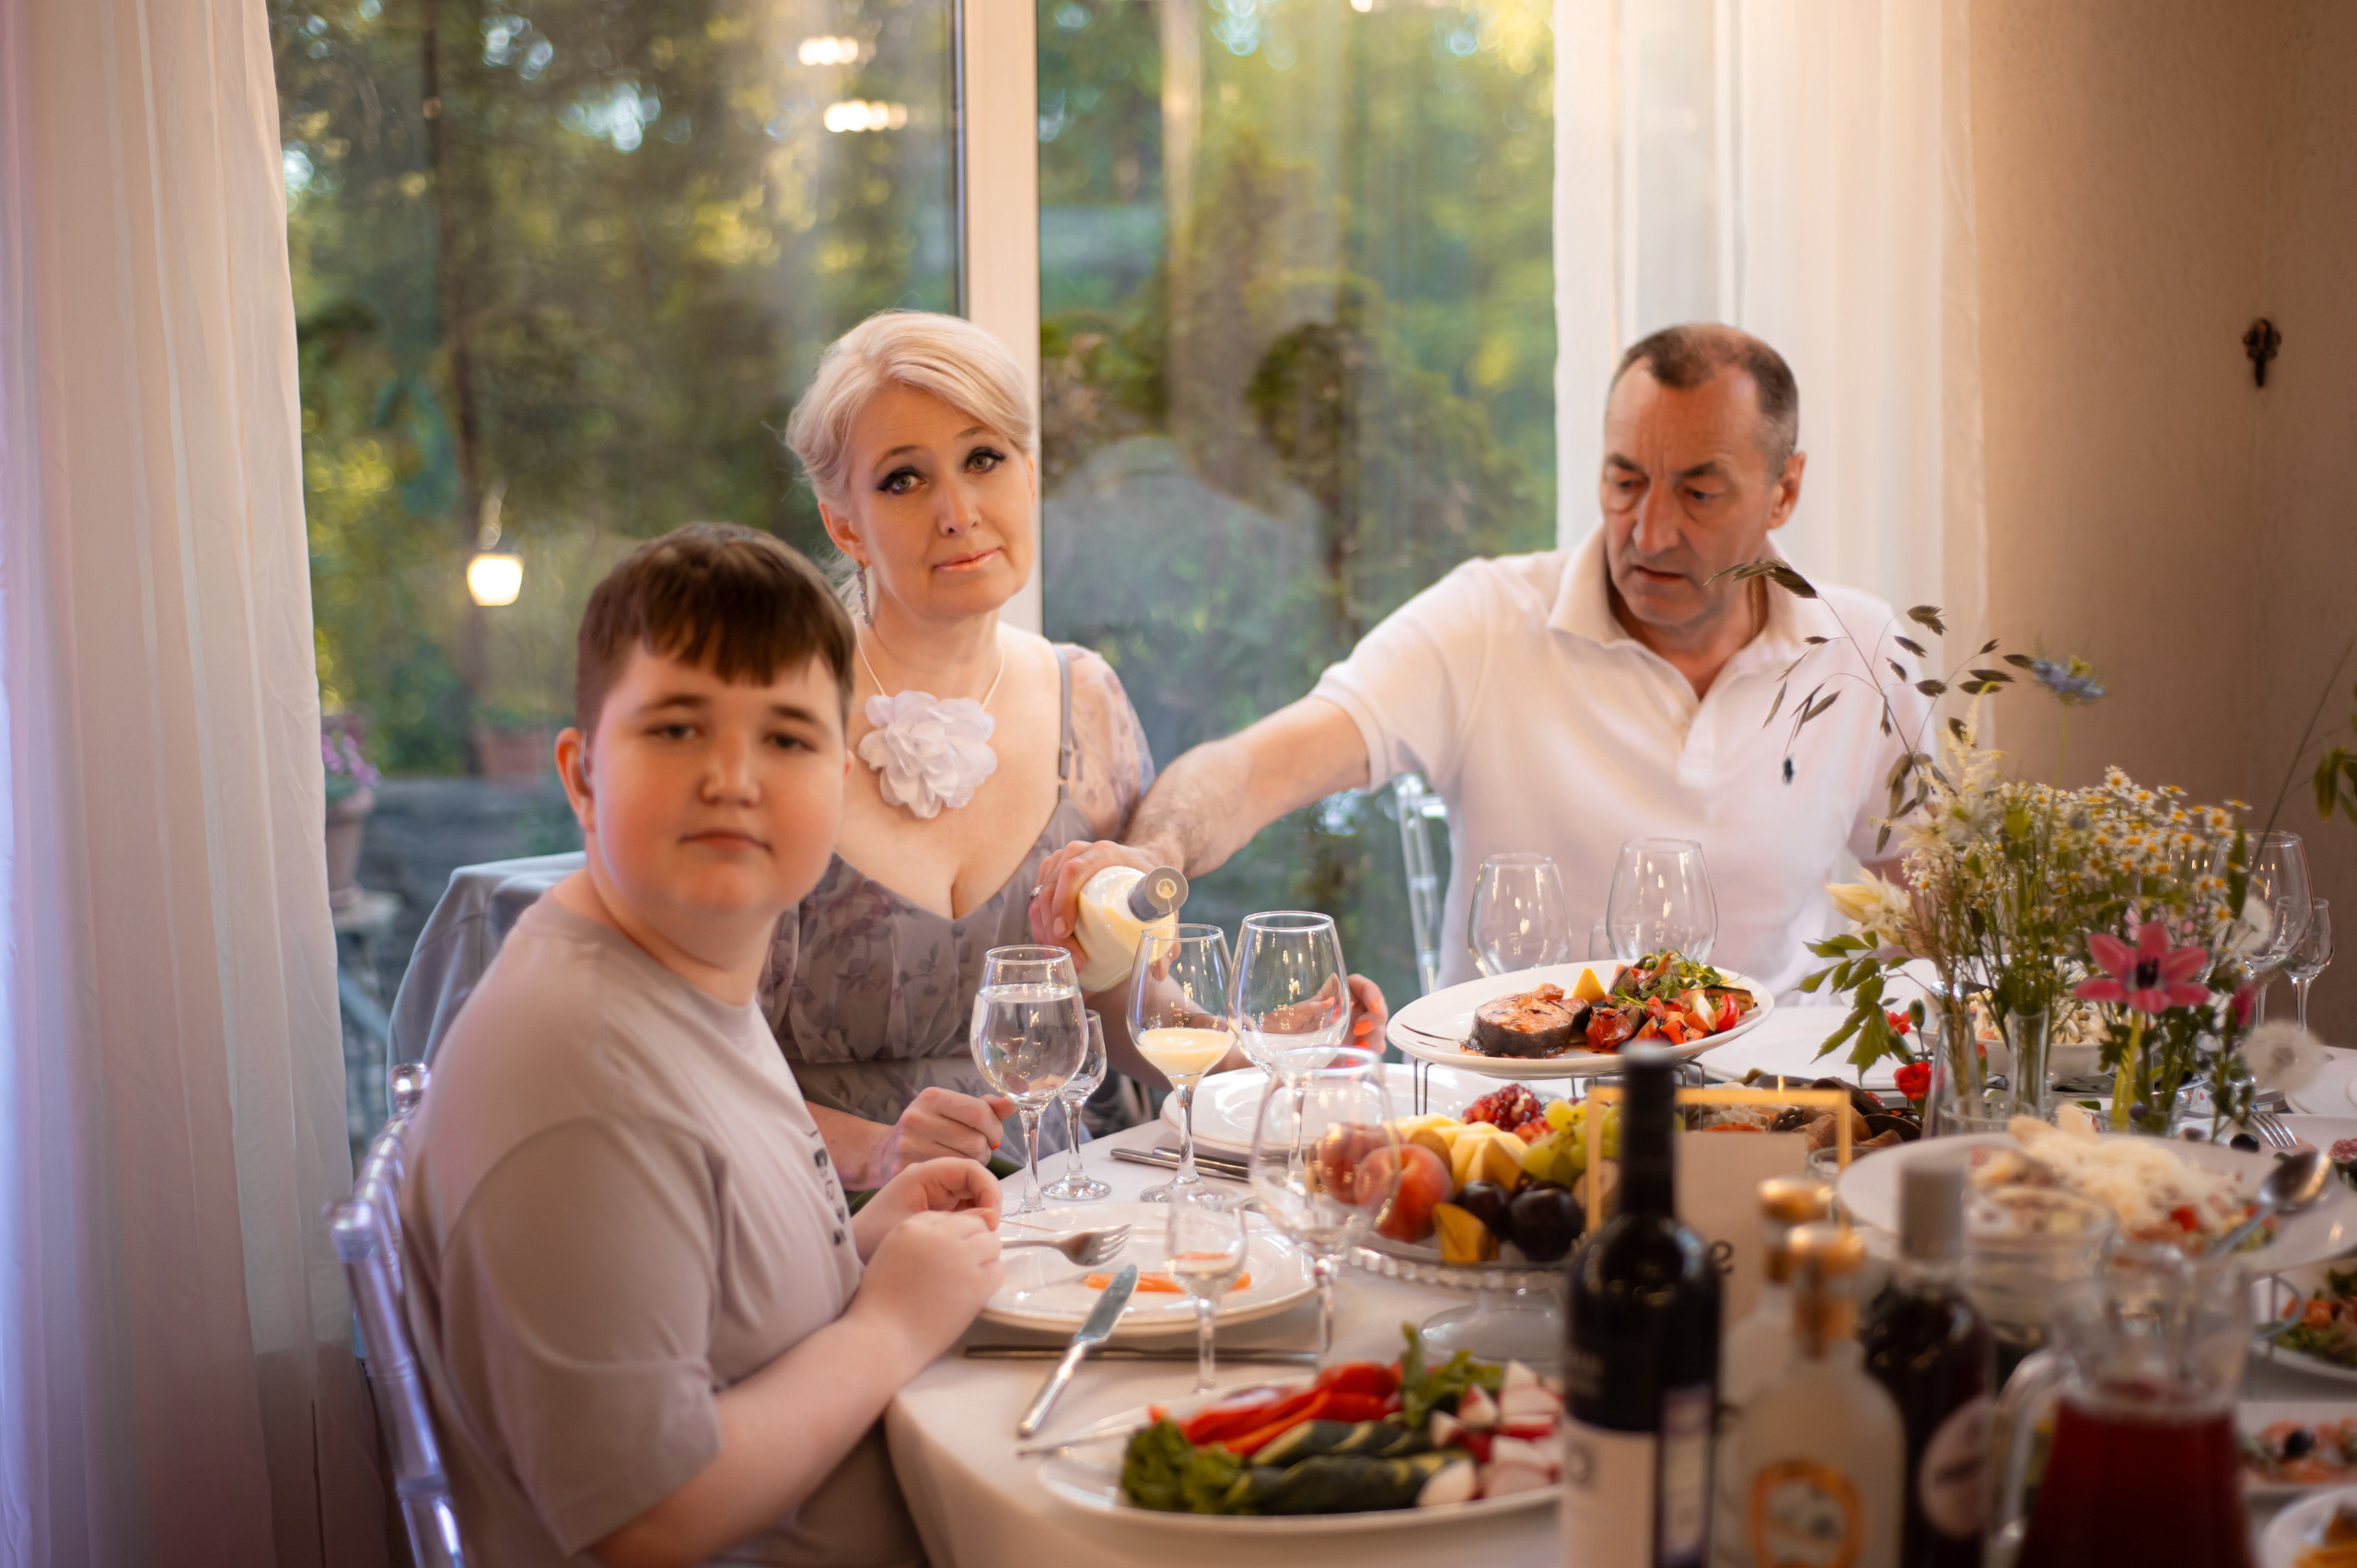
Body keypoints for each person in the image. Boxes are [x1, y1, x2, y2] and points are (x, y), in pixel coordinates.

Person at [401, 525, 1003, 1566]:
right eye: (678, 729)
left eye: (787, 737)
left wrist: (867, 1248)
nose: (734, 776)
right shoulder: (577, 1067)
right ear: (581, 774)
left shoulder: (683, 974)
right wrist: (889, 1328)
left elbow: (707, 1311)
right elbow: (647, 1514)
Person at [1032, 323, 1920, 998]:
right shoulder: (1490, 622)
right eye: (1623, 482)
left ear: (1785, 489)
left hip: (1772, 1127)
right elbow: (1256, 765)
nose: (1649, 531)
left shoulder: (1863, 650)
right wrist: (1153, 857)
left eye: (1697, 490)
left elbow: (1937, 906)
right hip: (1515, 1132)